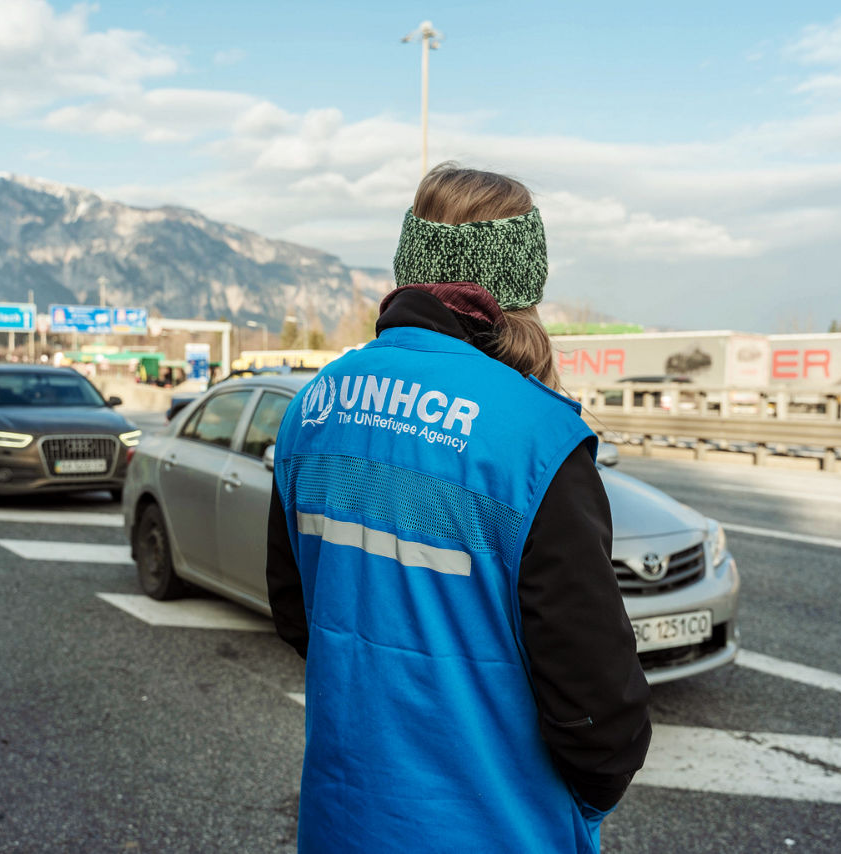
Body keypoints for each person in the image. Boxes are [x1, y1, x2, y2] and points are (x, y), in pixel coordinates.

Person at [266, 163, 651, 853]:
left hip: (342, 818)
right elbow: (596, 702)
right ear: (522, 282)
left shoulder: (314, 405)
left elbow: (298, 613)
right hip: (495, 825)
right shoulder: (535, 435)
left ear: (411, 263)